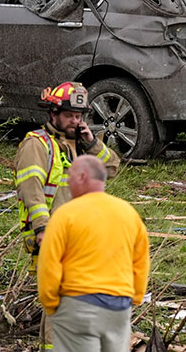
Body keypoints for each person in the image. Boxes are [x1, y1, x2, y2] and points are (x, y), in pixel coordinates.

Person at [36, 154, 148, 352]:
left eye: (70, 175)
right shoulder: (127, 213)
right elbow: (141, 260)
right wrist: (134, 296)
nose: (67, 180)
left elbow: (49, 263)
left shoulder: (66, 214)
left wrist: (50, 301)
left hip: (78, 301)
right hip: (119, 303)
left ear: (84, 178)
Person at [14, 82, 119, 252]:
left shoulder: (81, 144)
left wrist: (92, 144)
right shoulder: (37, 144)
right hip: (52, 232)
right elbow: (31, 188)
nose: (75, 121)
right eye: (69, 115)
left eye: (78, 116)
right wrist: (42, 227)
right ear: (54, 114)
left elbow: (111, 168)